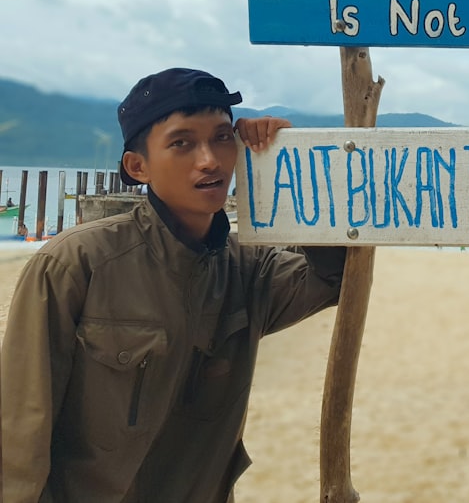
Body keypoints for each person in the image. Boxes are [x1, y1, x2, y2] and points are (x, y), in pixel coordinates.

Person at [1, 67, 348, 503]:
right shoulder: (77, 263)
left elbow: (335, 277)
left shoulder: (249, 269)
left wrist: (295, 161)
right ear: (137, 166)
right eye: (182, 143)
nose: (209, 160)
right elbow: (21, 422)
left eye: (223, 138)